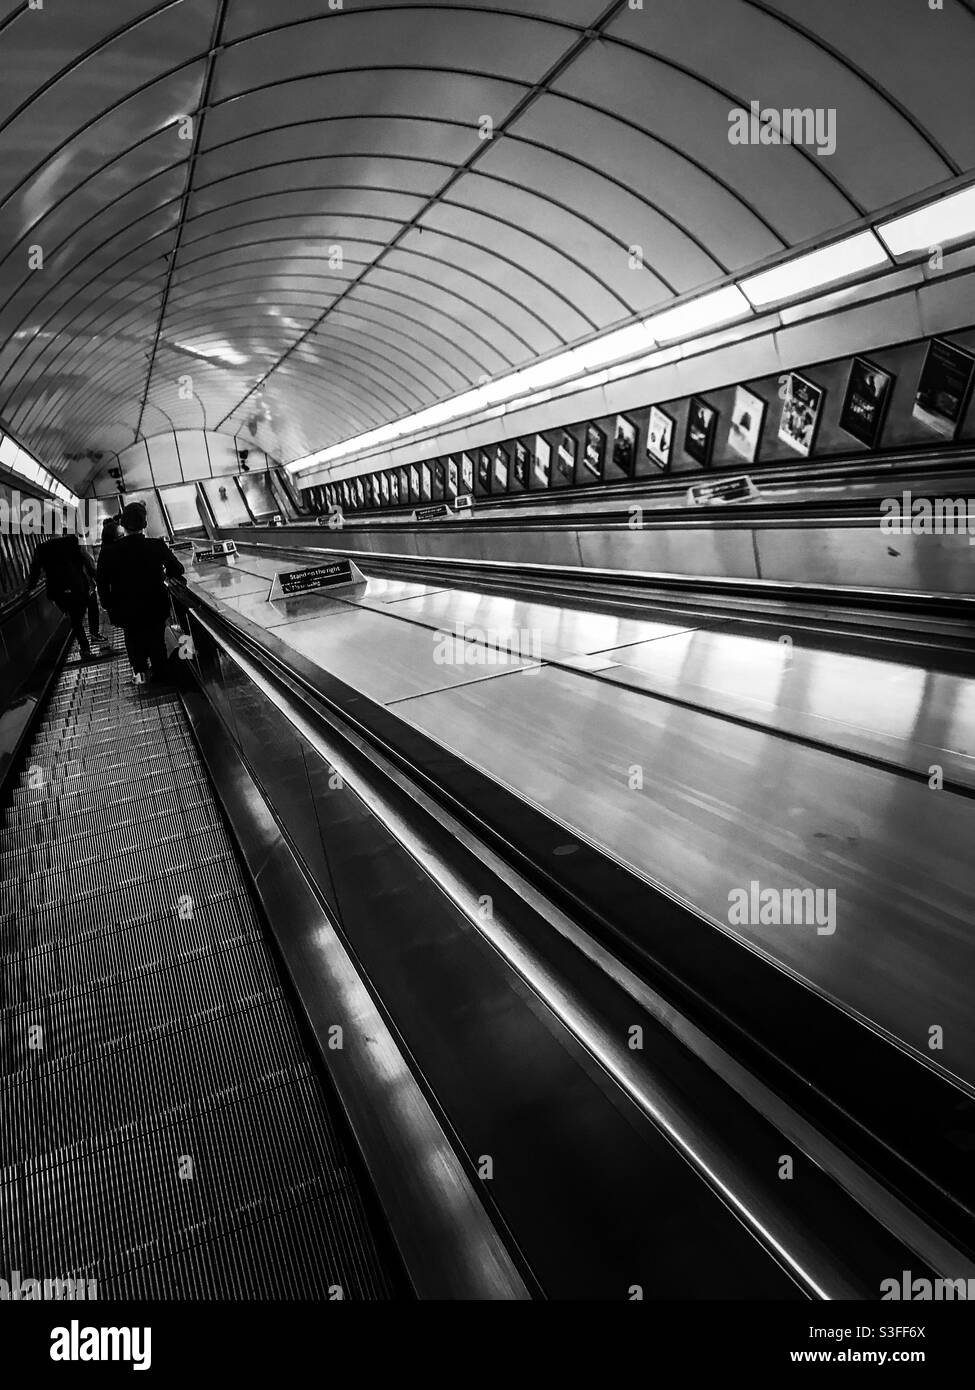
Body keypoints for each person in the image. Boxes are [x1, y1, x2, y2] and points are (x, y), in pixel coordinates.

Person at [97, 500, 185, 685]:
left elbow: (102, 584)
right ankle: (161, 676)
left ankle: (141, 675)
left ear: (122, 525)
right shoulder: (156, 545)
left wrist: (108, 605)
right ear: (145, 524)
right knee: (157, 639)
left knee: (132, 638)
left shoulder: (108, 552)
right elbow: (177, 569)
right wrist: (164, 576)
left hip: (126, 610)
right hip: (155, 606)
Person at [27, 524, 104, 661]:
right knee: (90, 603)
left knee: (75, 620)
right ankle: (94, 634)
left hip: (58, 591)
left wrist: (30, 587)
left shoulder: (41, 548)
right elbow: (85, 559)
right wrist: (94, 576)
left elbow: (35, 570)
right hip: (78, 586)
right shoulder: (72, 541)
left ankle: (85, 648)